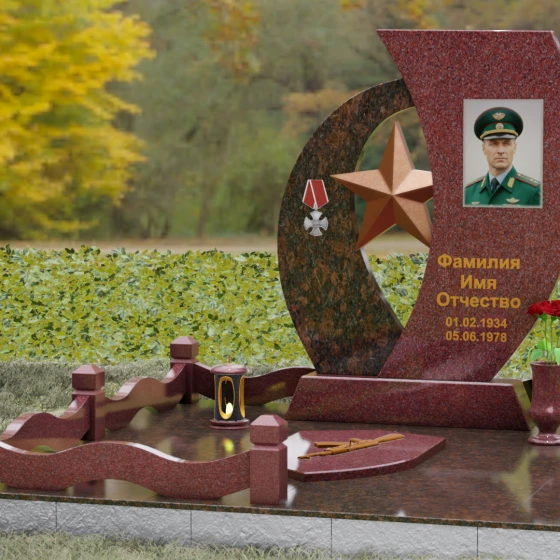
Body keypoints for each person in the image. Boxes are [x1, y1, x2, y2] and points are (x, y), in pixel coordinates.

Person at [464, 107, 541, 207]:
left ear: (515, 147)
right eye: (493, 144)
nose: (501, 151)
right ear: (483, 148)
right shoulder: (469, 192)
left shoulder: (532, 191)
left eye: (507, 143)